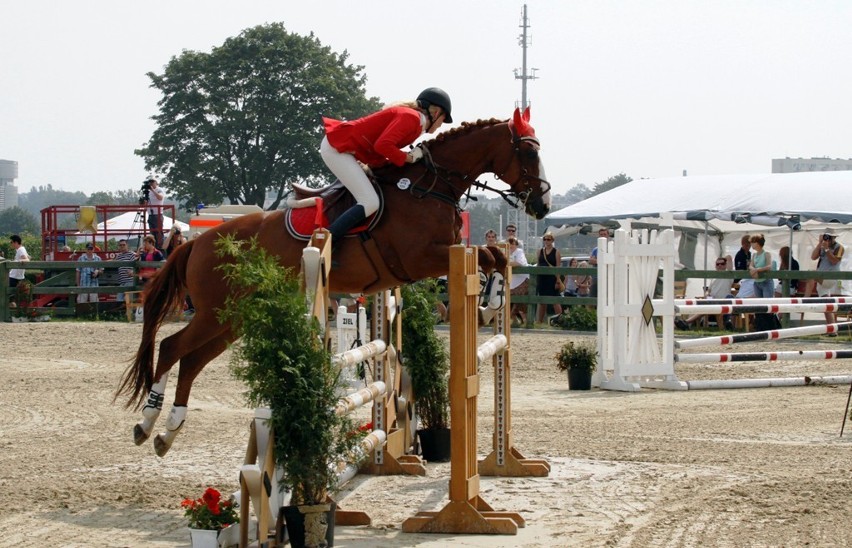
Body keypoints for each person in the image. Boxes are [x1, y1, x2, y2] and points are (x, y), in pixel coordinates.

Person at [320, 87, 452, 252]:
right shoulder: (412, 118)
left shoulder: (415, 123)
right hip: (337, 147)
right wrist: (408, 158)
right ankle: (325, 244)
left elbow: (382, 149)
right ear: (437, 112)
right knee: (370, 202)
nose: (440, 126)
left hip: (348, 149)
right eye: (443, 120)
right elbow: (383, 145)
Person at [676, 256, 735, 330]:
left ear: (725, 265)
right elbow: (709, 290)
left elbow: (729, 257)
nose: (720, 266)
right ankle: (686, 322)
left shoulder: (728, 274)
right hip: (713, 299)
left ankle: (686, 322)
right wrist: (707, 294)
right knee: (701, 305)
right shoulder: (713, 277)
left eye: (722, 264)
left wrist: (722, 258)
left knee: (705, 307)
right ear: (715, 266)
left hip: (723, 301)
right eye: (717, 264)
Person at [810, 229, 845, 329]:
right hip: (822, 277)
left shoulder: (839, 247)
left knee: (810, 275)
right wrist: (819, 243)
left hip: (830, 277)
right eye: (826, 237)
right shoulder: (822, 245)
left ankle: (805, 299)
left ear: (834, 238)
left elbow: (834, 261)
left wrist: (826, 250)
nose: (827, 239)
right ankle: (832, 329)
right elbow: (813, 257)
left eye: (829, 237)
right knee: (826, 304)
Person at [535, 231, 563, 323]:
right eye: (545, 239)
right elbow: (538, 264)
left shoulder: (556, 252)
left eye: (548, 239)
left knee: (555, 300)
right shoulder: (540, 251)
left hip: (552, 279)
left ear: (552, 240)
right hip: (542, 279)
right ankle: (540, 322)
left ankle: (561, 319)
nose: (546, 241)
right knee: (542, 301)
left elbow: (558, 267)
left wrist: (558, 281)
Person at [507, 237, 529, 325]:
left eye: (513, 243)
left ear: (516, 245)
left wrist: (506, 263)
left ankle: (525, 320)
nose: (511, 245)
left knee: (520, 300)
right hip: (511, 281)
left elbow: (518, 263)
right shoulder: (506, 252)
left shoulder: (519, 252)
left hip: (522, 280)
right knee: (509, 300)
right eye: (509, 243)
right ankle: (514, 319)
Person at [748, 234, 774, 298]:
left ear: (757, 243)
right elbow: (750, 266)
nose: (751, 244)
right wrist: (754, 269)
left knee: (767, 304)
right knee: (759, 304)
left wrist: (756, 269)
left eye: (752, 242)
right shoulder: (754, 255)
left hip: (766, 282)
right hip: (756, 282)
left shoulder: (767, 254)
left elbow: (769, 266)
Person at [143, 177, 166, 249]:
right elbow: (145, 204)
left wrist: (152, 190)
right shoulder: (148, 192)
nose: (151, 183)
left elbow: (160, 198)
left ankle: (160, 248)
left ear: (156, 182)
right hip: (150, 214)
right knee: (152, 233)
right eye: (150, 182)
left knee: (159, 233)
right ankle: (153, 247)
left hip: (158, 214)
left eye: (152, 181)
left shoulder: (159, 189)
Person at [114, 239, 137, 303]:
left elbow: (137, 265)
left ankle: (129, 313)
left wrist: (132, 271)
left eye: (123, 245)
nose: (122, 246)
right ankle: (122, 313)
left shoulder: (132, 254)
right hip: (122, 282)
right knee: (119, 300)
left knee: (128, 301)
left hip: (130, 281)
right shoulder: (119, 256)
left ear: (127, 245)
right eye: (120, 245)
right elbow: (114, 262)